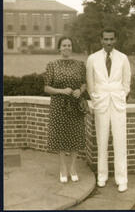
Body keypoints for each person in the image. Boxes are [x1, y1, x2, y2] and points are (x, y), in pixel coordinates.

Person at [86, 28, 131, 192]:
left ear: (116, 39)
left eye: (111, 39)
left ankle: (122, 179)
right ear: (101, 40)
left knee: (120, 141)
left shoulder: (123, 58)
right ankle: (102, 176)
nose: (109, 42)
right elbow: (90, 82)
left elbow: (126, 83)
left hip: (117, 104)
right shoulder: (92, 58)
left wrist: (121, 95)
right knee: (102, 140)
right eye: (106, 39)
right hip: (101, 103)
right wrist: (95, 97)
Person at [44, 36, 86, 183]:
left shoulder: (80, 65)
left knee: (75, 136)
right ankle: (62, 167)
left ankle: (73, 167)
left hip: (75, 105)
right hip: (59, 106)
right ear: (59, 48)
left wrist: (80, 91)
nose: (67, 47)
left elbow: (84, 83)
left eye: (69, 45)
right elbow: (46, 87)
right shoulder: (52, 65)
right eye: (64, 45)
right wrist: (62, 91)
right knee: (61, 137)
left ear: (72, 47)